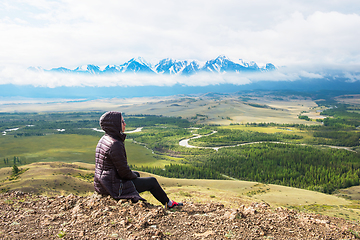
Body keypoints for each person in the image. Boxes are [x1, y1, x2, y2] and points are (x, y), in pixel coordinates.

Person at [94, 111, 183, 208]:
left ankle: (134, 198)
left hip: (103, 184)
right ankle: (170, 204)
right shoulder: (115, 144)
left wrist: (133, 175)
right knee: (152, 181)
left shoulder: (105, 138)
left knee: (136, 175)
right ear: (115, 125)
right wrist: (132, 175)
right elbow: (124, 172)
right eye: (122, 122)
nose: (125, 124)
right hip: (113, 187)